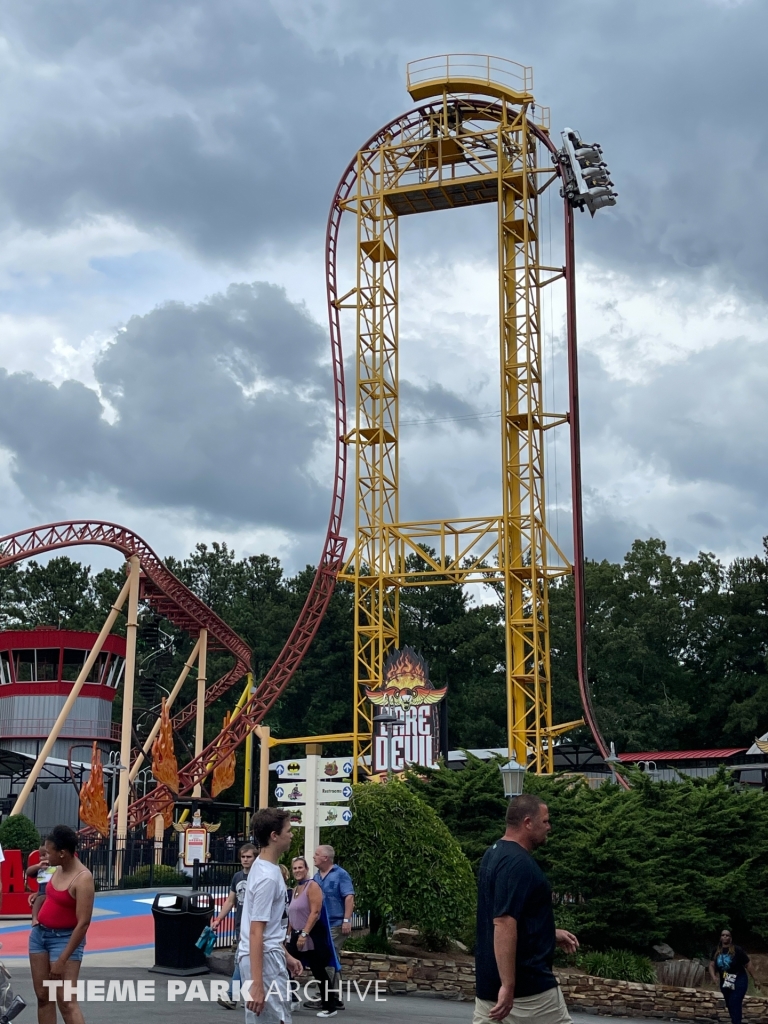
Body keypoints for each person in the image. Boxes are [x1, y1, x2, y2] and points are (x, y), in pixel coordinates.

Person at [474, 794, 578, 1024]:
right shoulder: (519, 864)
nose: (549, 827)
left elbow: (503, 915)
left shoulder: (493, 854)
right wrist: (508, 985)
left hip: (488, 990)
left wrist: (547, 933)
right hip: (529, 994)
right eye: (545, 821)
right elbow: (503, 922)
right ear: (528, 822)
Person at [238, 809, 303, 1024]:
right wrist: (257, 983)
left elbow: (268, 927)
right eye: (288, 830)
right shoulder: (267, 877)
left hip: (266, 955)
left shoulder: (266, 869)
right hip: (264, 960)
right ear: (274, 836)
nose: (292, 835)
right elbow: (257, 930)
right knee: (277, 1019)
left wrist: (286, 956)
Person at [29, 824, 95, 1024]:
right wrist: (36, 898)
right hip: (40, 936)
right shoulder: (57, 868)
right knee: (43, 996)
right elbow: (47, 893)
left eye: (49, 853)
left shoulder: (83, 879)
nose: (45, 857)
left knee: (66, 1001)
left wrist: (62, 960)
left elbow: (83, 923)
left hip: (64, 940)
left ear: (63, 853)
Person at [286, 857, 339, 1018]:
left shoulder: (312, 886)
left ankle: (330, 1007)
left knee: (319, 971)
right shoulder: (295, 889)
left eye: (300, 867)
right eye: (294, 868)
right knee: (285, 966)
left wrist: (304, 933)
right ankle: (293, 999)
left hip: (311, 935)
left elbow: (315, 912)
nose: (297, 871)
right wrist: (289, 934)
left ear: (306, 868)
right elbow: (292, 914)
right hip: (296, 935)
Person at [212, 842, 257, 1010]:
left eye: (249, 857)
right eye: (243, 857)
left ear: (255, 858)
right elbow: (230, 901)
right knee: (244, 962)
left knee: (242, 961)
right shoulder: (237, 877)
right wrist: (219, 919)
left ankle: (232, 995)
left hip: (254, 926)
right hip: (240, 926)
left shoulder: (258, 876)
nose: (245, 860)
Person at [313, 846, 354, 1010]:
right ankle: (335, 997)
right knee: (332, 958)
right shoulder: (316, 877)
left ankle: (323, 996)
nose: (314, 856)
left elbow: (349, 897)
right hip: (322, 924)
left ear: (326, 858)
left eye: (317, 854)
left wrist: (346, 920)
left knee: (326, 958)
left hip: (336, 924)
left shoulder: (341, 874)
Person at [709, 928, 761, 1024]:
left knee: (735, 1001)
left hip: (739, 979)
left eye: (727, 935)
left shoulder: (737, 950)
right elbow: (712, 965)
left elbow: (748, 964)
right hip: (725, 980)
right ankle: (735, 1021)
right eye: (723, 935)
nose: (725, 937)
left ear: (730, 938)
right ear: (720, 937)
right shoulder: (716, 951)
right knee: (729, 1004)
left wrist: (756, 979)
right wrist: (713, 976)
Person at [26, 845, 56, 927]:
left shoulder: (56, 867)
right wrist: (38, 866)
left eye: (45, 855)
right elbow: (28, 872)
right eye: (40, 856)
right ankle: (34, 918)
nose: (42, 858)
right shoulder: (40, 867)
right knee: (39, 899)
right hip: (42, 889)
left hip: (53, 889)